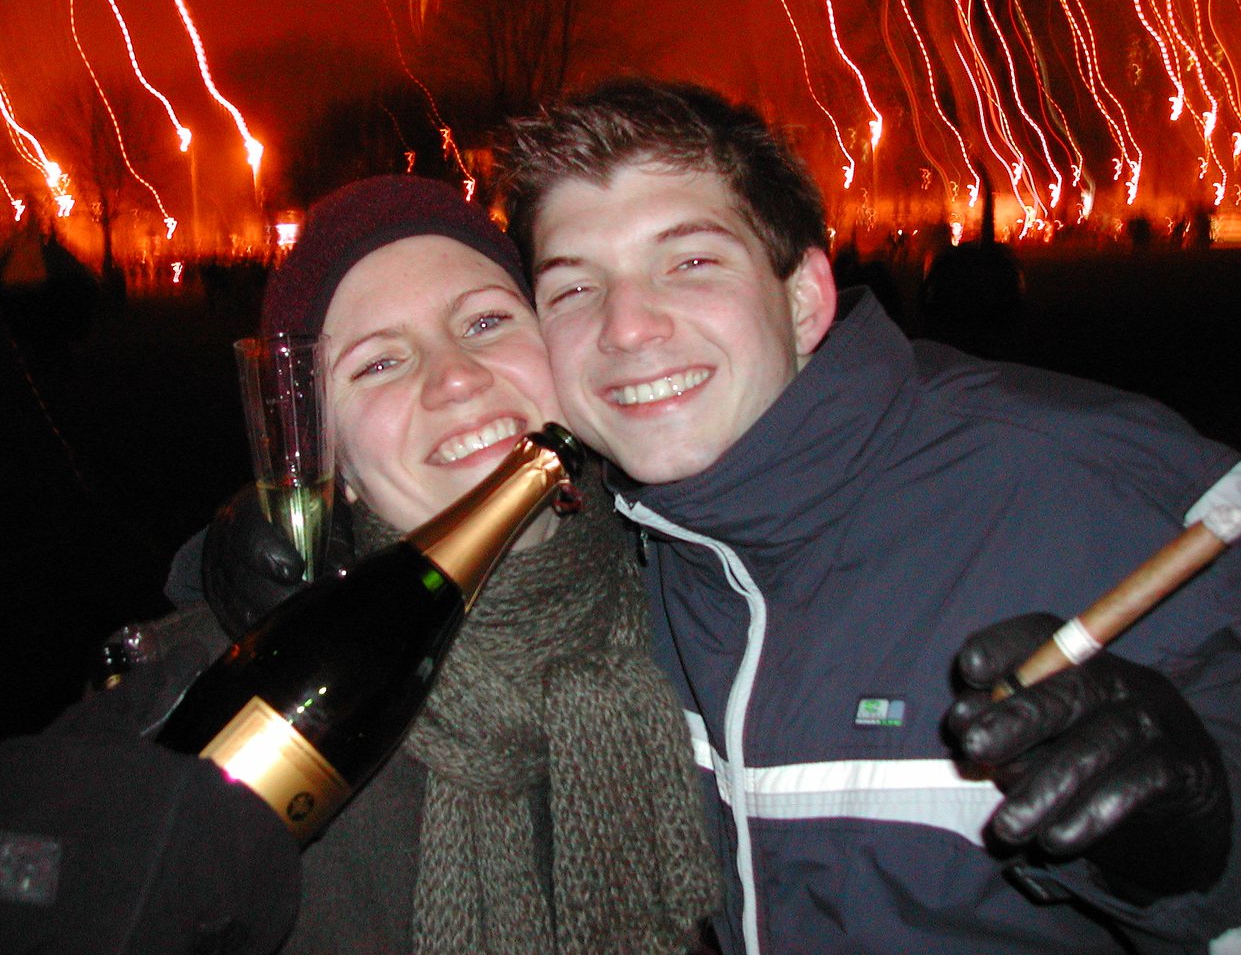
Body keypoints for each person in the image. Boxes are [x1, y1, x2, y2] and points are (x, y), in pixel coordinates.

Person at [493, 79, 1241, 954]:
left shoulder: (1093, 481)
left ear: (802, 302)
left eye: (691, 262)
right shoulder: (612, 557)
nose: (627, 327)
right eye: (572, 290)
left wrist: (1206, 836)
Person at [19, 174, 720, 955]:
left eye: (487, 320)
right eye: (379, 364)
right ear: (334, 457)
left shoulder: (706, 618)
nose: (455, 377)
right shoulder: (228, 690)